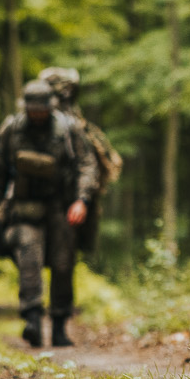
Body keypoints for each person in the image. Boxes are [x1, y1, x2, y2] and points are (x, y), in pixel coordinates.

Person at [0, 78, 99, 348]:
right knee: (29, 259)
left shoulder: (68, 129)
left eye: (42, 110)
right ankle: (32, 319)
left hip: (61, 205)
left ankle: (59, 325)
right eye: (33, 110)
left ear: (50, 107)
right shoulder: (12, 129)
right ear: (25, 107)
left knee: (63, 263)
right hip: (24, 206)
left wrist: (82, 200)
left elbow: (87, 165)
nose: (37, 115)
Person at [37, 66, 123, 258]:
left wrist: (82, 199)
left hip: (69, 198)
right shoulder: (26, 121)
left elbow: (89, 166)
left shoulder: (77, 127)